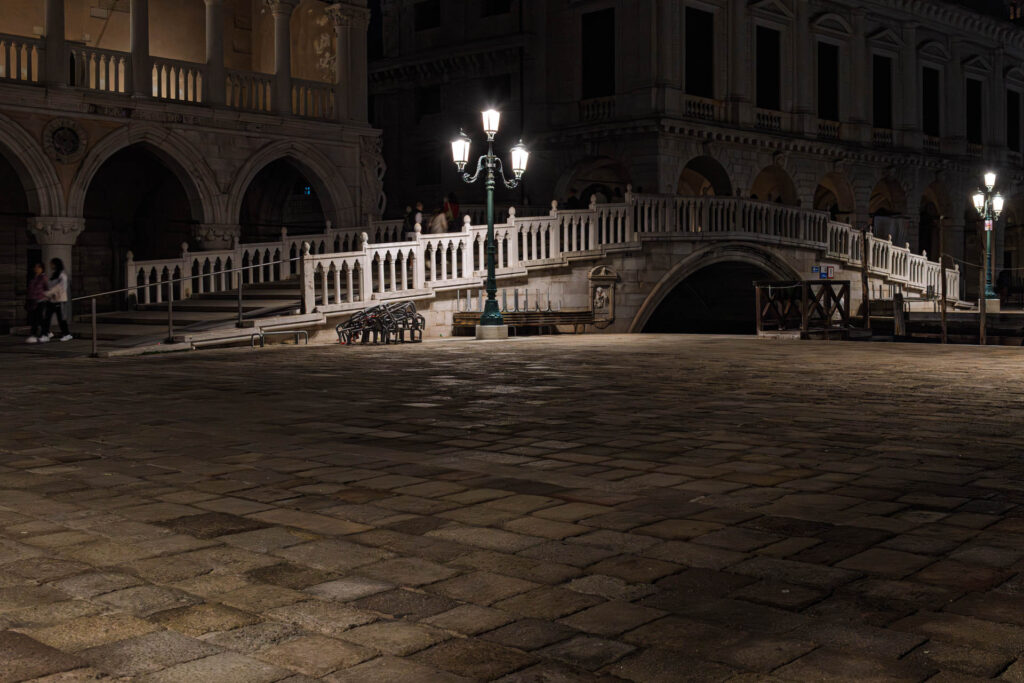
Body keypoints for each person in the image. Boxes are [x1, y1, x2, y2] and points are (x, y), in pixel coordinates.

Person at [39, 258, 72, 342]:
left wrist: (48, 293)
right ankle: (45, 334)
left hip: (59, 300)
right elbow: (50, 286)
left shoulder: (63, 275)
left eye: (52, 264)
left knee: (61, 319)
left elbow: (60, 288)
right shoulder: (54, 274)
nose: (51, 266)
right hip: (51, 300)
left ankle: (67, 334)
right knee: (47, 318)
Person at [25, 262, 47, 343]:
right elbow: (30, 289)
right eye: (35, 267)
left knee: (38, 318)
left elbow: (47, 288)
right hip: (32, 300)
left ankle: (36, 334)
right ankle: (44, 332)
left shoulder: (43, 278)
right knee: (36, 318)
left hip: (40, 300)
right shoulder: (34, 277)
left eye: (38, 267)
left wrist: (44, 296)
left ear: (41, 268)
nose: (36, 269)